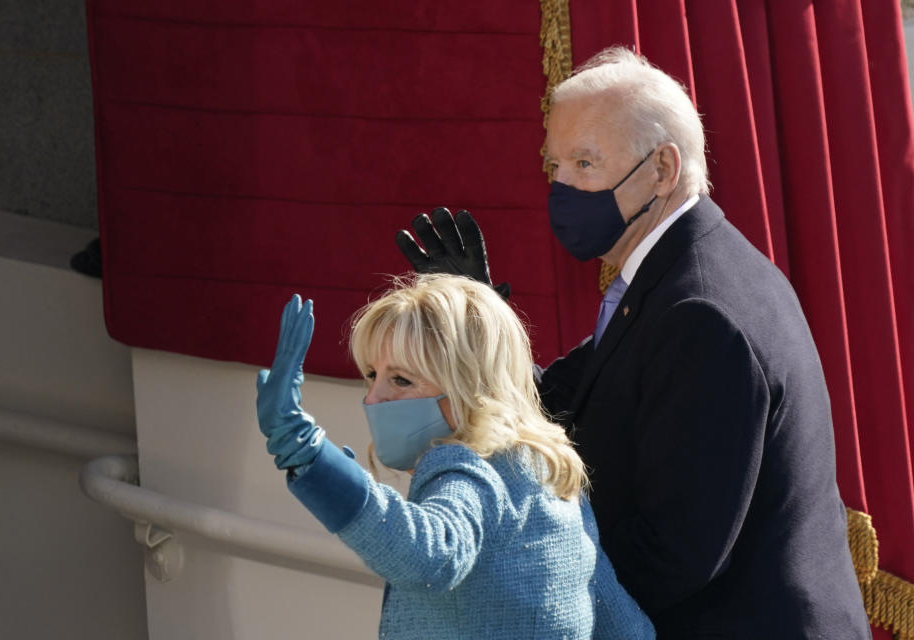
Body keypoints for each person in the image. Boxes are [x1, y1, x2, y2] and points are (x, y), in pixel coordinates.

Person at [395, 48, 870, 638]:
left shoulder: (700, 310)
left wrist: (531, 583)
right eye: (555, 165)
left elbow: (674, 554)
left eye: (585, 164)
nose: (562, 187)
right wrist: (480, 317)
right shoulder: (675, 271)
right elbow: (562, 401)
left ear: (663, 169)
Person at [256, 274, 655, 639]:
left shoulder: (464, 470)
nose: (373, 398)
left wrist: (309, 454)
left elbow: (428, 554)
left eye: (401, 379)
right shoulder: (552, 472)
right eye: (371, 375)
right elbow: (619, 622)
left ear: (468, 385)